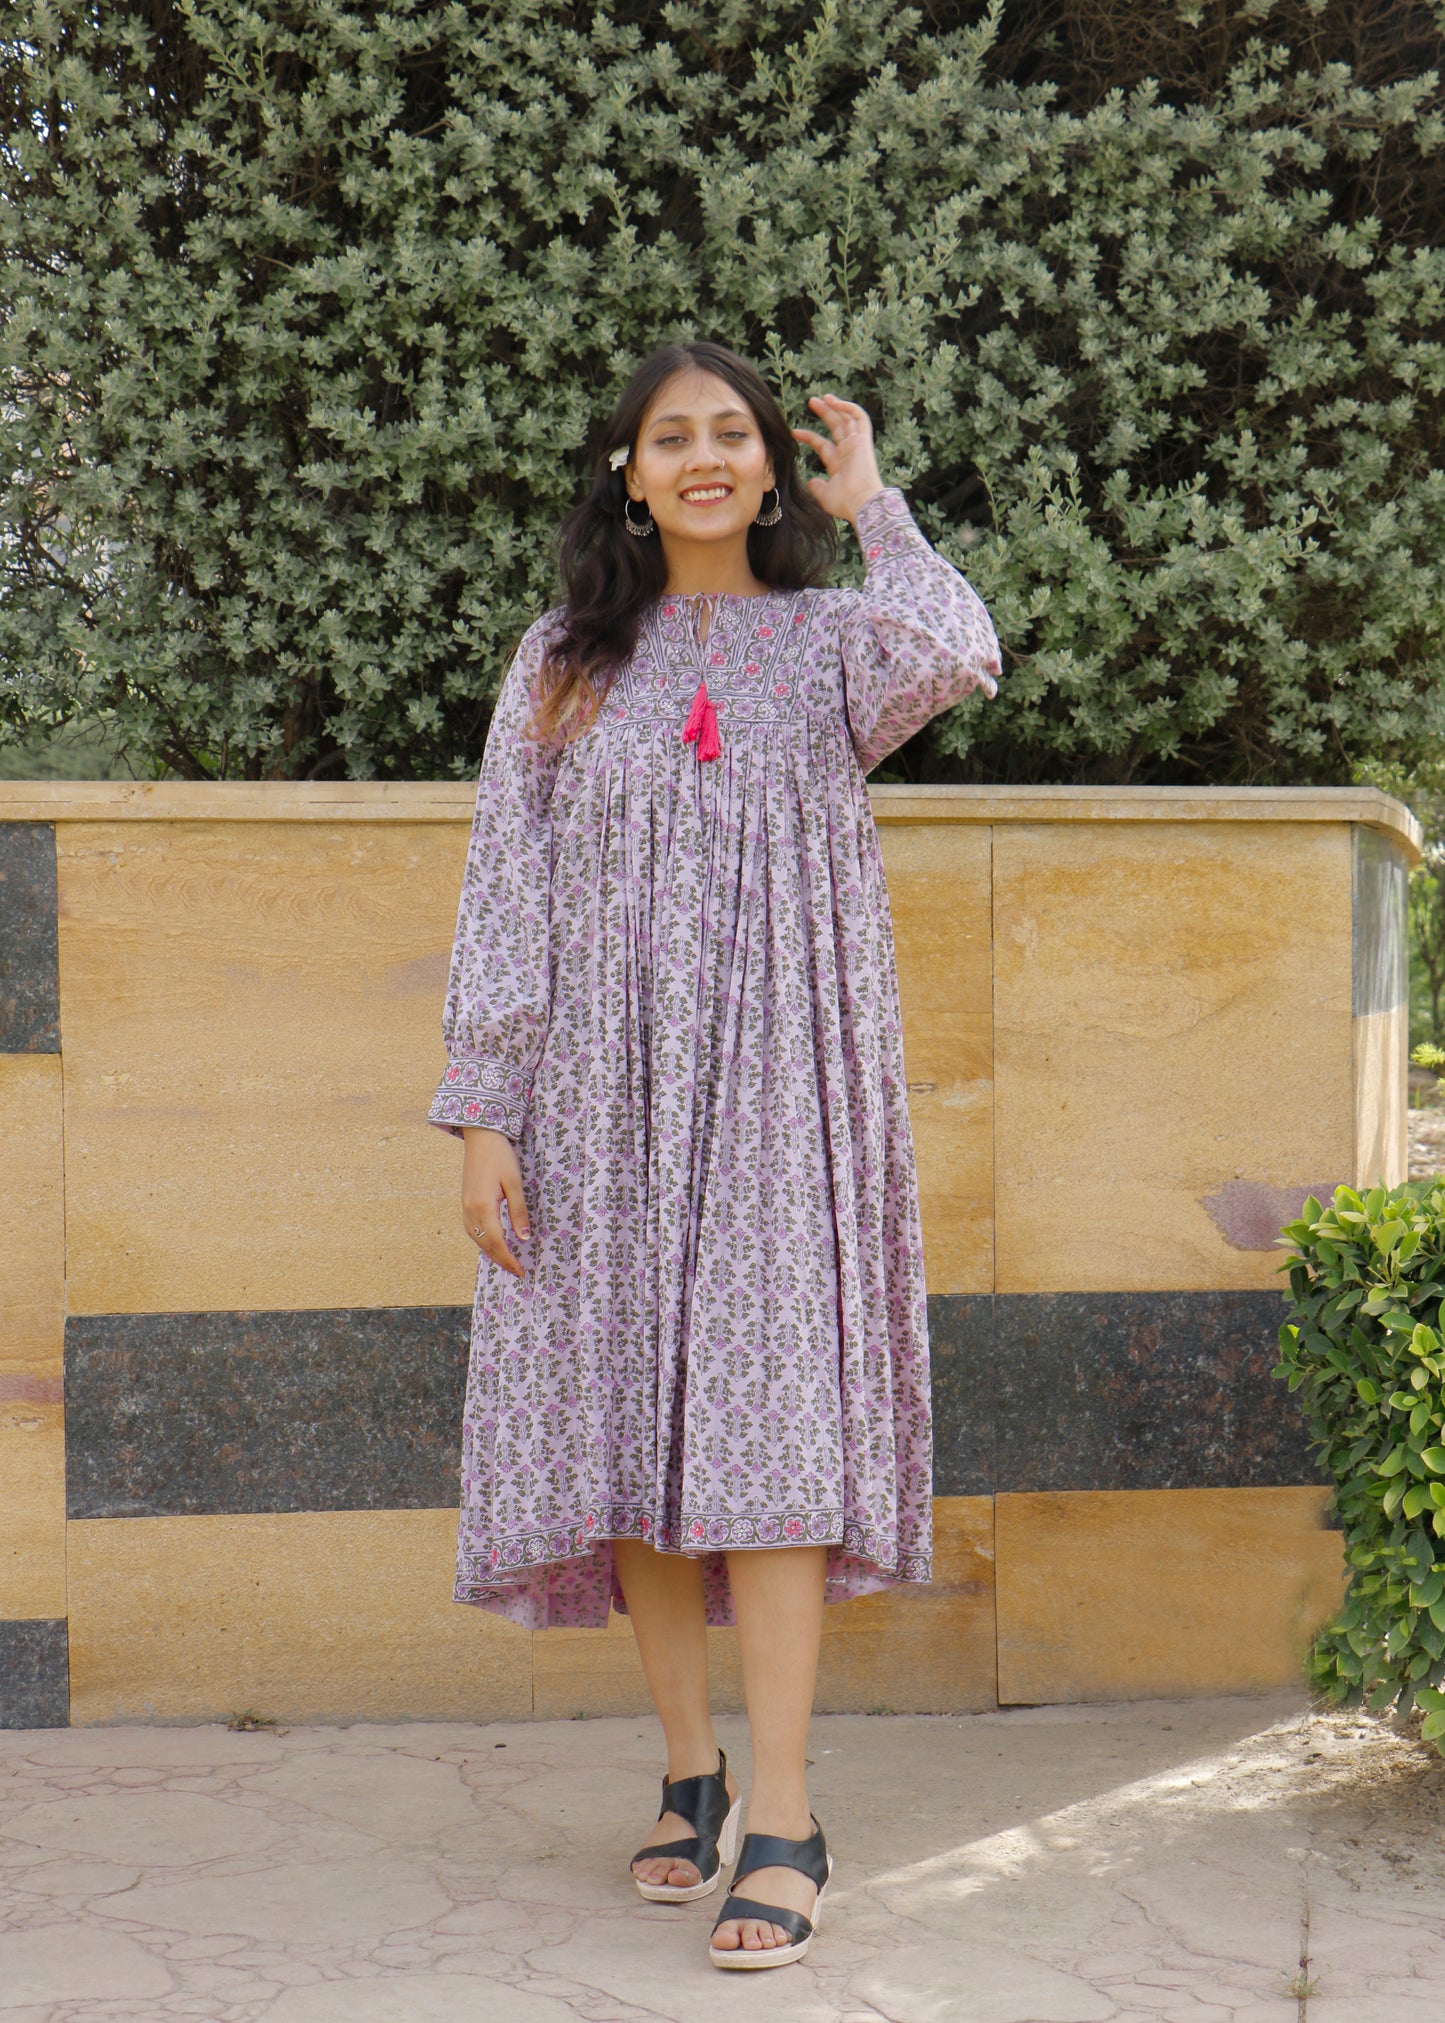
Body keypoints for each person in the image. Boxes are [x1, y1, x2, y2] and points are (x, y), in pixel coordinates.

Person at [429, 340, 1001, 1970]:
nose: (701, 456)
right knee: (627, 1424)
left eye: (731, 433)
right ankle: (691, 1770)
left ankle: (788, 1816)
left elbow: (959, 649)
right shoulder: (562, 659)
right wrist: (485, 1111)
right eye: (669, 436)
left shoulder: (830, 643)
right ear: (627, 472)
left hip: (778, 1090)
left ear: (766, 470)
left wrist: (875, 505)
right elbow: (506, 882)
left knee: (770, 1435)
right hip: (596, 1097)